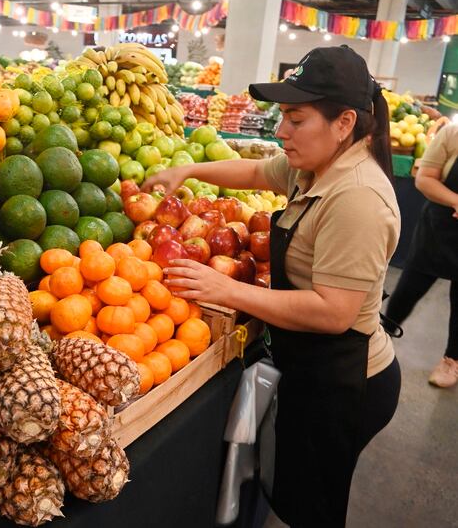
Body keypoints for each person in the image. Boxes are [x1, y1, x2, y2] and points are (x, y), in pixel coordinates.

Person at [143, 45, 401, 527]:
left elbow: (334, 312)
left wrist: (227, 290)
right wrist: (189, 171)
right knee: (296, 490)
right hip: (311, 365)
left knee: (314, 508)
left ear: (344, 122)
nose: (282, 131)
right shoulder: (318, 167)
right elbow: (257, 171)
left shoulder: (359, 198)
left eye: (296, 119)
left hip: (345, 381)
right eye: (282, 116)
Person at [385, 123, 458, 387]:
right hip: (440, 228)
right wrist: (456, 200)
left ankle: (452, 360)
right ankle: (382, 335)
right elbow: (425, 178)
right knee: (408, 289)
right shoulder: (452, 135)